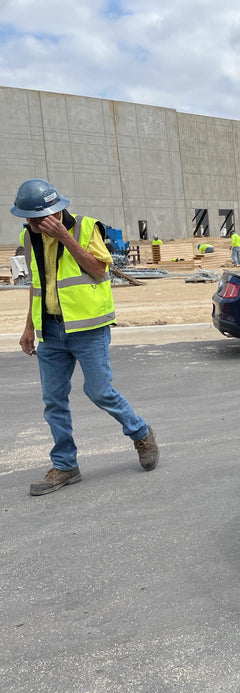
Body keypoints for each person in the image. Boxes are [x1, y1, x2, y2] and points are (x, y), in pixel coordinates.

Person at [12, 179, 159, 496]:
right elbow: (38, 285)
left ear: (52, 212)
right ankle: (65, 465)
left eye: (35, 218)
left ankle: (140, 432)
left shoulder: (85, 228)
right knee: (53, 401)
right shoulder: (29, 236)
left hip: (88, 329)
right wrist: (28, 327)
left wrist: (64, 237)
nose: (30, 223)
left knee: (99, 391)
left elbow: (98, 271)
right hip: (50, 331)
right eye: (26, 218)